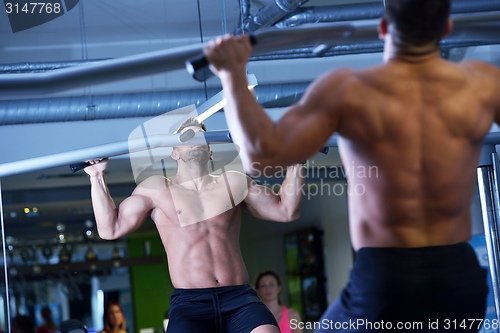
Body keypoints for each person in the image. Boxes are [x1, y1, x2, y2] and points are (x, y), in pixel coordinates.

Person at [203, 0, 500, 331]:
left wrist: (233, 74)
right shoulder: (484, 84)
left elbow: (260, 158)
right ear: (447, 28)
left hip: (386, 279)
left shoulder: (349, 90)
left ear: (383, 28)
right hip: (458, 276)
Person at [84, 118, 305, 333]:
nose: (194, 138)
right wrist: (97, 176)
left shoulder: (233, 182)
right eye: (186, 136)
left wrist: (297, 161)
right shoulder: (156, 189)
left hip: (239, 299)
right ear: (174, 152)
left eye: (200, 135)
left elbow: (286, 210)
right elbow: (109, 229)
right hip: (190, 305)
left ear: (210, 151)